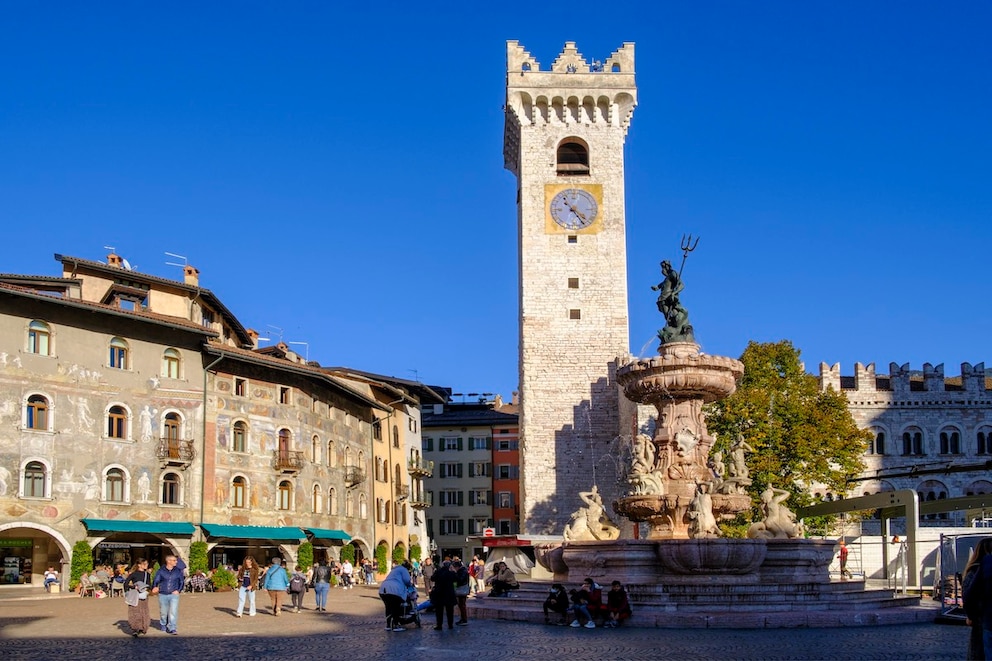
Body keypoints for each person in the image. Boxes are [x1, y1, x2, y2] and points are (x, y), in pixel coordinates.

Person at [963, 537, 992, 660]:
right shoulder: (978, 569)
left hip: (985, 618)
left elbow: (969, 596)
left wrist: (970, 616)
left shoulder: (975, 570)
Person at [151, 554, 186, 635]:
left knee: (173, 611)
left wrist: (178, 590)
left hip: (174, 594)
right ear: (168, 561)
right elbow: (156, 580)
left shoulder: (178, 571)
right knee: (164, 612)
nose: (176, 562)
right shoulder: (161, 571)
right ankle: (163, 623)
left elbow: (181, 581)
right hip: (163, 593)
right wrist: (155, 587)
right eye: (174, 560)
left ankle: (172, 627)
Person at [379, 559, 414, 632]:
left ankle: (388, 625)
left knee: (388, 607)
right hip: (395, 590)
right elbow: (407, 580)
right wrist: (410, 586)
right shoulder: (404, 570)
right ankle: (396, 625)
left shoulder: (394, 570)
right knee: (396, 607)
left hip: (384, 588)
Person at [123, 558, 151, 637]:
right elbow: (126, 584)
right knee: (135, 611)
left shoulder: (147, 574)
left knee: (144, 611)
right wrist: (132, 588)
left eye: (147, 564)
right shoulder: (134, 574)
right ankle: (136, 628)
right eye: (144, 564)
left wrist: (147, 589)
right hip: (135, 595)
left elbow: (149, 584)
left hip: (144, 595)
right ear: (139, 565)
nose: (146, 565)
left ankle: (143, 627)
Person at [431, 561, 457, 630]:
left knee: (439, 611)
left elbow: (432, 578)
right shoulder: (451, 573)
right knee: (450, 611)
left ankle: (439, 625)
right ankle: (450, 625)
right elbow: (456, 579)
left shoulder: (438, 572)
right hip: (449, 594)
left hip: (439, 593)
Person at [452, 559, 470, 626]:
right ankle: (463, 618)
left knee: (462, 605)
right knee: (461, 605)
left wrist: (455, 574)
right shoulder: (462, 570)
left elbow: (460, 580)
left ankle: (464, 619)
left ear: (457, 567)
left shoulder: (462, 571)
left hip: (462, 590)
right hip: (462, 589)